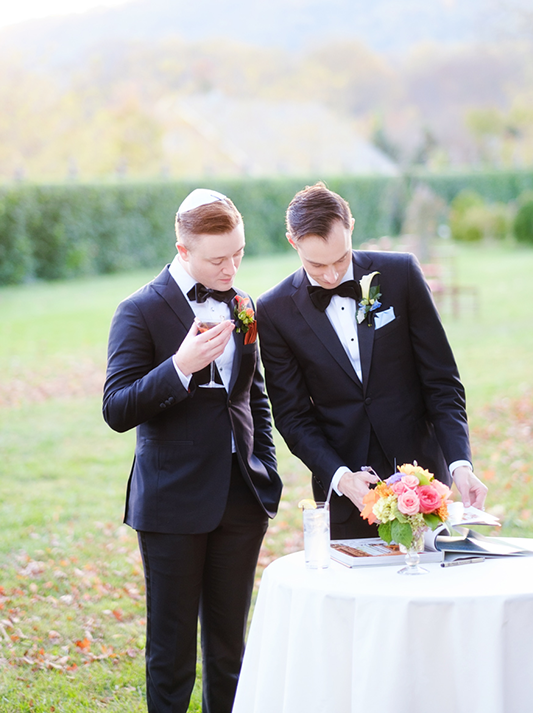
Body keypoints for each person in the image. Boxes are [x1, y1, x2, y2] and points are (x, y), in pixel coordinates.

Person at [103, 188, 282, 713]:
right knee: (172, 651)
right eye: (218, 258)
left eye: (240, 253)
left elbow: (254, 394)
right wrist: (179, 366)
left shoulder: (243, 305)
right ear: (183, 251)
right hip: (172, 504)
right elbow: (116, 409)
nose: (232, 268)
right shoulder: (138, 310)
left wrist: (264, 466)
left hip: (241, 498)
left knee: (230, 650)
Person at [257, 182, 486, 540]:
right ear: (292, 242)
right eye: (316, 264)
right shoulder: (274, 311)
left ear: (351, 228)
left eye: (340, 259)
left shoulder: (401, 274)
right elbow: (293, 416)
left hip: (425, 484)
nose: (332, 276)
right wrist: (341, 478)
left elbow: (441, 382)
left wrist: (460, 462)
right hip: (348, 493)